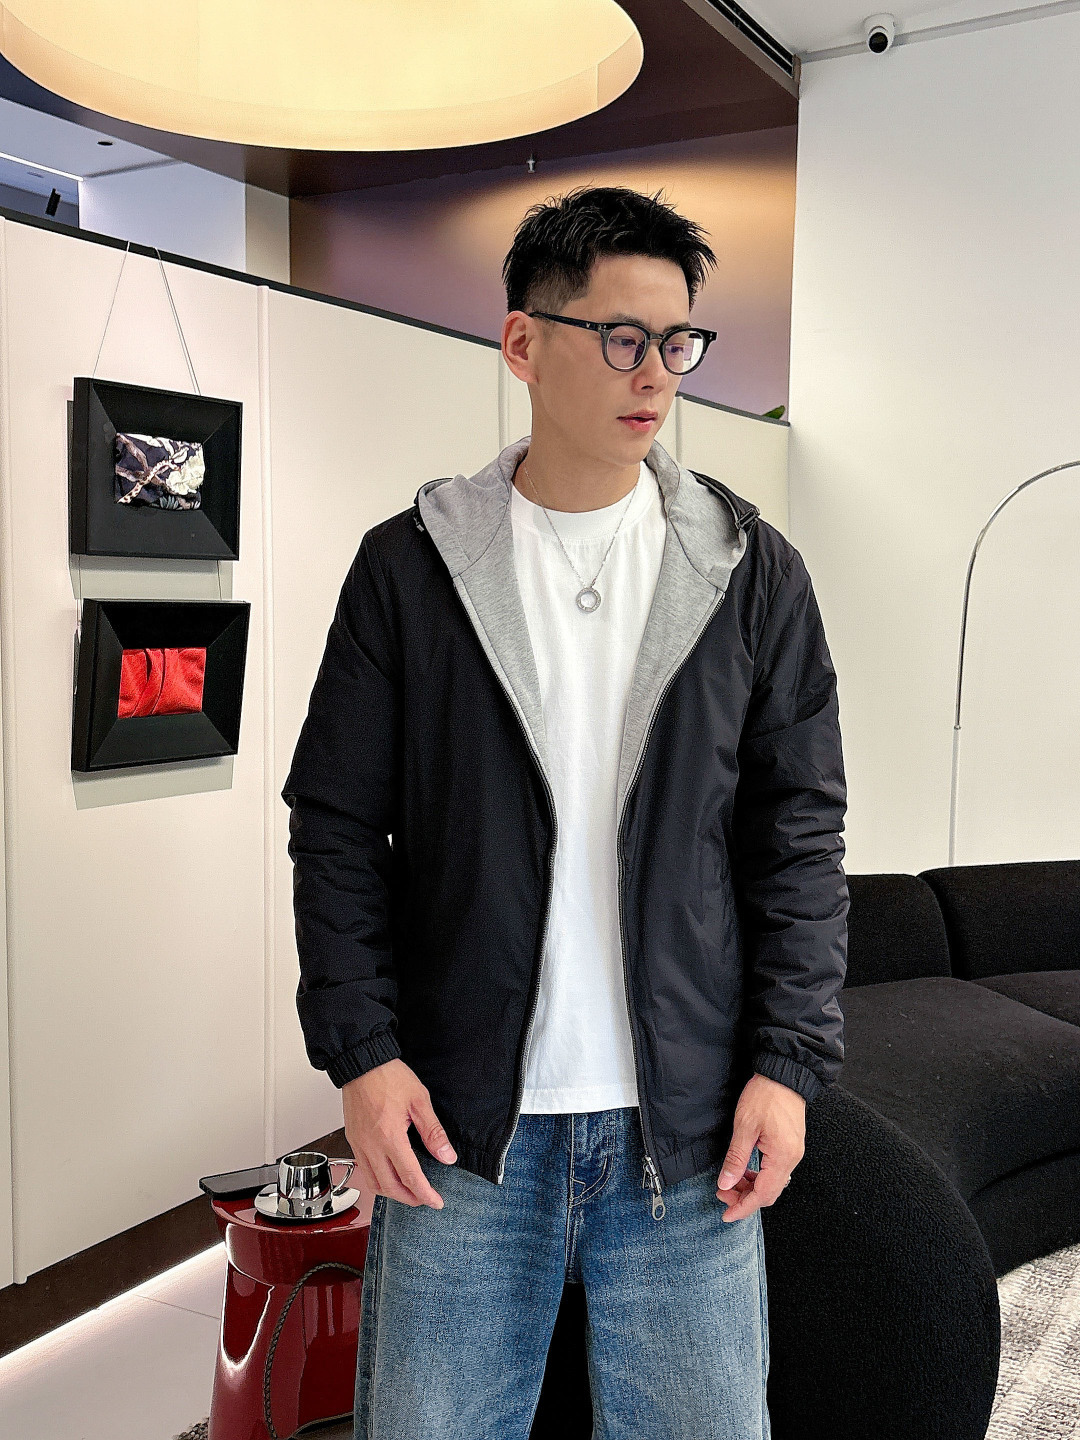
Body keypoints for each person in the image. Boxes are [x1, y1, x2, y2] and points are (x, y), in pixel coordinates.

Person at [281, 183, 849, 1440]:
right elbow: (335, 825)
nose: (657, 374)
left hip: (689, 1133)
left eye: (679, 341)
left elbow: (799, 840)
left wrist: (789, 1064)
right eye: (622, 336)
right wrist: (362, 1055)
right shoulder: (412, 568)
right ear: (523, 343)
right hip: (457, 1128)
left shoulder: (750, 573)